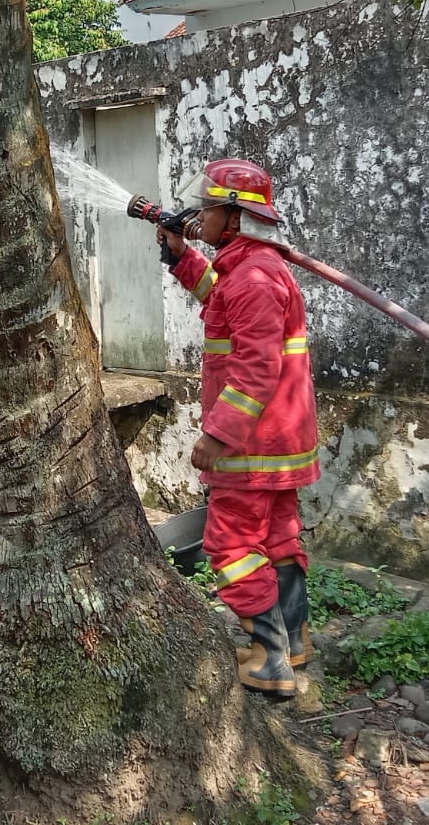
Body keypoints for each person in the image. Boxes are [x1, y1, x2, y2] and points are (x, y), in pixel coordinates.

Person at [157, 158, 319, 698]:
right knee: (277, 538)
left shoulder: (252, 277)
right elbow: (218, 299)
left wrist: (218, 433)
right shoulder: (251, 268)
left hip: (252, 443)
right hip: (278, 440)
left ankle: (271, 662)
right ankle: (292, 643)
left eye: (208, 207)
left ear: (235, 216)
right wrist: (182, 256)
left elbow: (255, 367)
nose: (198, 214)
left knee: (230, 544)